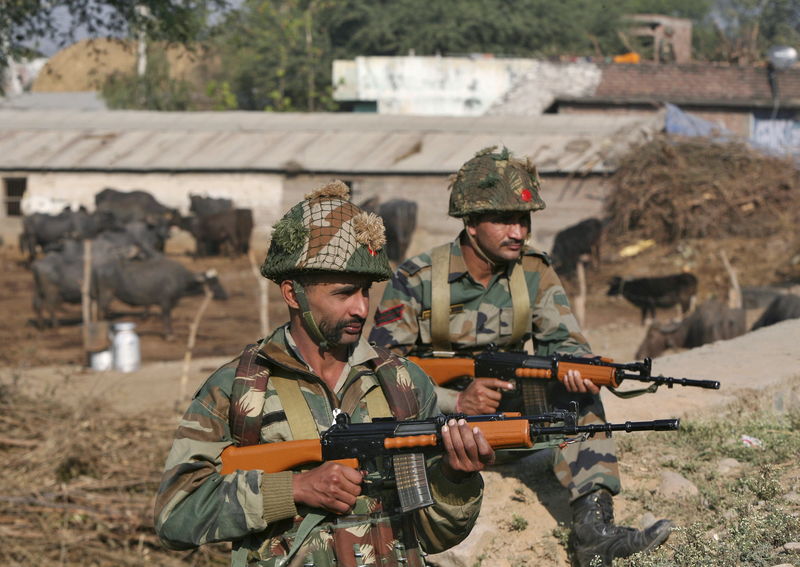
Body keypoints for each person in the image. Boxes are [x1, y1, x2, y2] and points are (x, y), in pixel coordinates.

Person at [154, 181, 494, 567]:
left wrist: (456, 478)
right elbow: (175, 516)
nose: (362, 309)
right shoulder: (235, 390)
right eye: (343, 293)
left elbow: (436, 535)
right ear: (292, 293)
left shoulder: (403, 383)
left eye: (366, 291)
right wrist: (295, 488)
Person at [368, 147, 672, 567]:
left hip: (509, 424)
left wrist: (579, 368)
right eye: (505, 219)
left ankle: (593, 531)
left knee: (580, 399)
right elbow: (380, 371)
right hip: (435, 431)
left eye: (524, 219)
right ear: (471, 224)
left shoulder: (533, 271)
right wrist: (455, 401)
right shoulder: (417, 279)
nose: (519, 231)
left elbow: (565, 340)